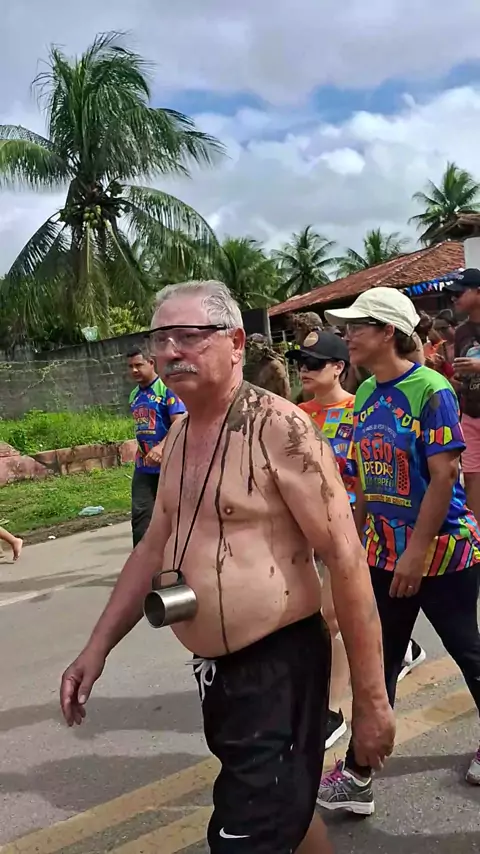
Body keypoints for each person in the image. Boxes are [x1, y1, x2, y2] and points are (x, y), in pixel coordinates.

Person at [61, 281, 395, 854]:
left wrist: (371, 701)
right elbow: (152, 548)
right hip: (217, 673)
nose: (170, 351)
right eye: (161, 338)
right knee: (286, 815)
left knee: (244, 834)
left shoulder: (280, 429)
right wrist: (96, 649)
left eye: (188, 336)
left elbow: (346, 558)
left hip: (278, 668)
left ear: (236, 342)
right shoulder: (180, 434)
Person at [316, 287, 480, 816]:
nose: (348, 336)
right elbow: (367, 475)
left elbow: (445, 475)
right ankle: (358, 774)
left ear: (388, 331)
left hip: (443, 554)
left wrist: (417, 553)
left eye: (358, 326)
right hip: (384, 552)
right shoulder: (365, 393)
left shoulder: (431, 390)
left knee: (468, 652)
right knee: (377, 661)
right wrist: (355, 538)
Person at [286, 330, 354, 750]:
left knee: (331, 618)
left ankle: (333, 710)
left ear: (338, 367)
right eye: (300, 363)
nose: (304, 370)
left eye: (314, 364)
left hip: (347, 530)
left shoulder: (360, 410)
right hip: (303, 529)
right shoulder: (296, 414)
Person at [127, 346, 186, 546]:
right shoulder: (134, 395)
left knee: (176, 515)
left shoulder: (167, 389)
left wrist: (161, 448)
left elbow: (180, 422)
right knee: (141, 517)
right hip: (144, 467)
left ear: (151, 363)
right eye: (130, 366)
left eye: (138, 365)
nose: (134, 370)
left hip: (170, 465)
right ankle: (142, 560)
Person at [444, 269, 480, 525]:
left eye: (459, 293)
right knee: (472, 476)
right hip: (470, 412)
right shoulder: (461, 332)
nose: (454, 299)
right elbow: (461, 376)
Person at [244, 333, 291, 398]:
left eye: (253, 347)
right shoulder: (251, 368)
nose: (250, 350)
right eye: (247, 348)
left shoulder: (275, 366)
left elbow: (285, 393)